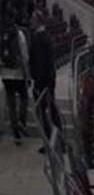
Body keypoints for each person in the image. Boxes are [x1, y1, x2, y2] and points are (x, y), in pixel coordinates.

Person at [27, 12, 55, 153]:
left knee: (44, 113)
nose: (30, 22)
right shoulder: (44, 36)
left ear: (38, 21)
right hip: (47, 81)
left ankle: (50, 141)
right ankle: (52, 140)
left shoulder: (40, 38)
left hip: (43, 83)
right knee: (48, 112)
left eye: (32, 20)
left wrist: (37, 84)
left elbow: (40, 64)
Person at [1, 14, 30, 145]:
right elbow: (24, 55)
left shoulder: (2, 34)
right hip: (18, 73)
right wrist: (27, 72)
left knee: (11, 104)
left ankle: (16, 134)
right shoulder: (19, 34)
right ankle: (21, 122)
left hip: (5, 73)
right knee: (24, 98)